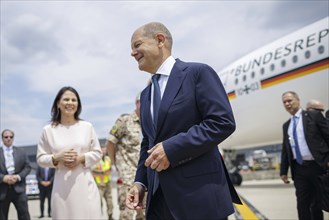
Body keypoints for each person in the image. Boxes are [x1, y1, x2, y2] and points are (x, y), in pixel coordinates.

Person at [126, 22, 241, 220]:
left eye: (137, 45)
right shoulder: (145, 95)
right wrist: (140, 183)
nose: (132, 53)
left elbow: (222, 122)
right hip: (159, 201)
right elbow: (148, 144)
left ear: (160, 40)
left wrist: (172, 149)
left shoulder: (197, 73)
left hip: (198, 197)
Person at [36, 86, 103, 219]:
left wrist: (81, 158)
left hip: (85, 185)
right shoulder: (48, 130)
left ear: (78, 104)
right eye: (66, 99)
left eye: (74, 100)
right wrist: (56, 157)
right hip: (62, 188)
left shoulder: (87, 127)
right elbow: (40, 158)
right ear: (58, 104)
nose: (70, 103)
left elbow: (97, 153)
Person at [280, 91, 329, 220]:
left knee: (318, 204)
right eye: (284, 102)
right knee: (302, 205)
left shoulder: (313, 116)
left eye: (289, 100)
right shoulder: (286, 126)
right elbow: (286, 150)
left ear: (298, 100)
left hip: (317, 166)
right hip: (299, 169)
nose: (287, 104)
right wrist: (283, 171)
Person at [105, 93, 145, 220]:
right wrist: (116, 163)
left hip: (144, 178)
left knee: (144, 214)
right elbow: (110, 143)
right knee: (126, 214)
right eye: (142, 102)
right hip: (127, 177)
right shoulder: (124, 120)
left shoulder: (148, 123)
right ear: (137, 103)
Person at [0, 129, 31, 220]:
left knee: (24, 215)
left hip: (19, 190)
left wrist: (18, 177)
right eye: (6, 137)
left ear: (13, 138)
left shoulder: (21, 151)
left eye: (11, 137)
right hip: (2, 191)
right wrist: (3, 178)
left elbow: (27, 167)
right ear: (2, 138)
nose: (8, 139)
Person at [91, 145, 113, 220]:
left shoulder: (108, 159)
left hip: (107, 183)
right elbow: (92, 170)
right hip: (99, 184)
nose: (104, 151)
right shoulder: (96, 160)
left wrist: (108, 171)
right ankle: (98, 217)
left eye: (105, 150)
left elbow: (110, 169)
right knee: (99, 202)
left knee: (110, 202)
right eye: (102, 150)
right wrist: (102, 172)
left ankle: (110, 216)